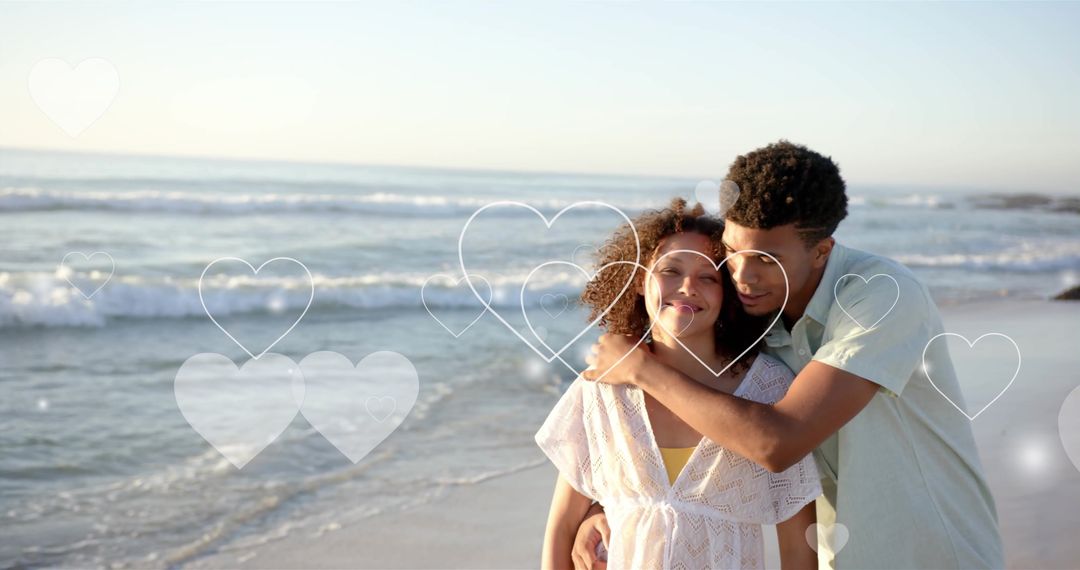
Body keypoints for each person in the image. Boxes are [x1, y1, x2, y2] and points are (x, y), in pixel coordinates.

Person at [577, 141, 1005, 569]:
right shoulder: (755, 312)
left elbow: (777, 443)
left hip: (933, 553)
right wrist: (610, 502)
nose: (742, 276)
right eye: (732, 250)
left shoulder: (884, 297)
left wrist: (642, 370)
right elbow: (712, 412)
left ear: (822, 251)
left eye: (765, 258)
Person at [536, 198, 821, 570]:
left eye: (708, 277)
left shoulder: (768, 387)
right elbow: (562, 528)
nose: (687, 287)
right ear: (640, 281)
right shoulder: (602, 388)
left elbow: (799, 547)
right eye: (670, 270)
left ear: (729, 293)